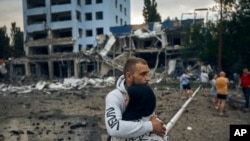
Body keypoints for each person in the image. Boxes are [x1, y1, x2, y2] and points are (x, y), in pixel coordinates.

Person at [105, 57, 166, 140]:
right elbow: (114, 128)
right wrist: (150, 126)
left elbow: (149, 118)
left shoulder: (146, 93)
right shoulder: (115, 97)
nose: (148, 78)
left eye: (148, 74)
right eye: (143, 74)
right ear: (129, 76)